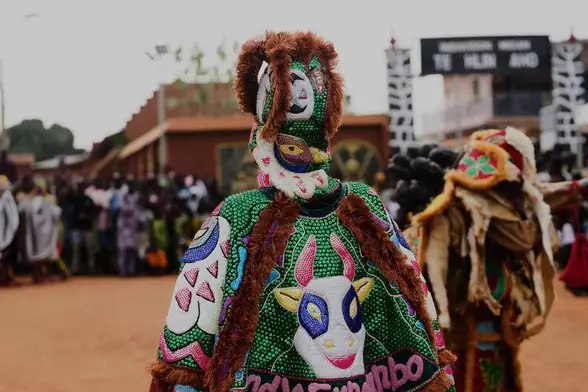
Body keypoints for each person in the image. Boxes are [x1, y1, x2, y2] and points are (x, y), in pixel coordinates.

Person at [149, 31, 455, 392]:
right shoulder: (366, 206)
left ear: (262, 130)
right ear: (329, 125)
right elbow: (422, 318)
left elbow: (185, 349)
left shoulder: (235, 216)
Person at [389, 128, 588, 392]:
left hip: (498, 343)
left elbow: (535, 197)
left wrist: (585, 186)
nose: (515, 197)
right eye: (506, 187)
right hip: (457, 346)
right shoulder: (452, 218)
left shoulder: (507, 212)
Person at [19, 176, 61, 284]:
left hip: (44, 233)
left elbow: (56, 213)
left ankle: (42, 274)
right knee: (36, 256)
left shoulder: (45, 200)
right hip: (34, 233)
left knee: (44, 256)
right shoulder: (28, 200)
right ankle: (37, 276)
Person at [70, 180, 98, 274]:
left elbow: (94, 212)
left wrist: (87, 216)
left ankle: (91, 267)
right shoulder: (73, 199)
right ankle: (75, 268)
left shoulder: (88, 199)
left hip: (87, 228)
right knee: (75, 249)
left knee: (90, 248)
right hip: (76, 229)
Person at [0, 175, 20, 287]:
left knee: (8, 257)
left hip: (8, 234)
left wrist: (11, 232)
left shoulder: (7, 198)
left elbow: (13, 217)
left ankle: (6, 277)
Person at [116, 188, 140, 276]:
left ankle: (131, 270)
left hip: (132, 230)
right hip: (123, 232)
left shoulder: (133, 200)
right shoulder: (121, 215)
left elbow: (136, 215)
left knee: (132, 251)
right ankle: (122, 270)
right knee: (123, 251)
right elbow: (123, 208)